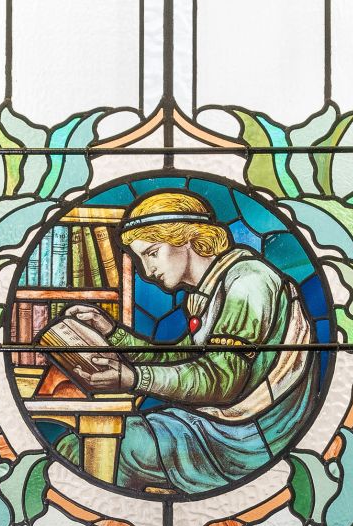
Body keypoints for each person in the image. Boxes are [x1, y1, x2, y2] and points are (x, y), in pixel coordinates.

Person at [43, 189, 319, 495]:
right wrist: (112, 333)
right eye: (139, 258)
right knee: (79, 443)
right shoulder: (212, 291)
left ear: (188, 238)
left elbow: (221, 380)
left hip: (248, 439)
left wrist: (133, 378)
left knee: (102, 446)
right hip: (217, 426)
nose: (147, 272)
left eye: (151, 253)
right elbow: (180, 362)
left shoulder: (248, 282)